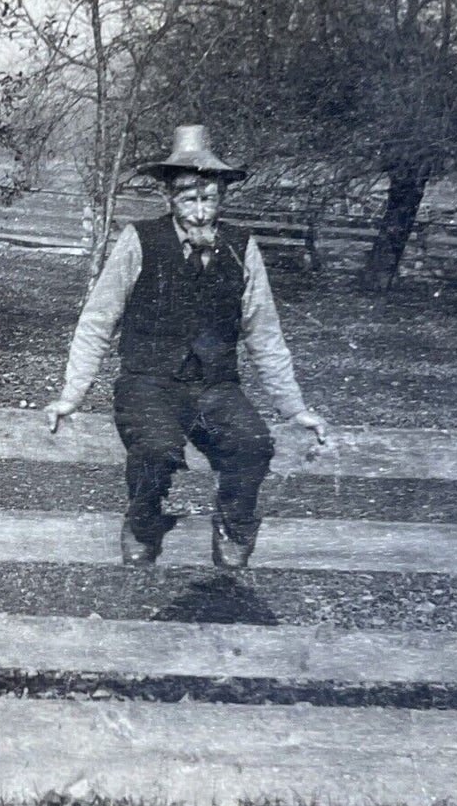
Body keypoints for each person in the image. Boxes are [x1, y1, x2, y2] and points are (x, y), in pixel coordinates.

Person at [44, 125, 328, 569]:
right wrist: (71, 394)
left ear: (221, 200)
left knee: (253, 443)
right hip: (147, 383)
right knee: (156, 449)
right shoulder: (139, 241)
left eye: (209, 199)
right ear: (170, 200)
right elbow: (98, 320)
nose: (199, 212)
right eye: (188, 199)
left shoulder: (242, 248)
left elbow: (264, 334)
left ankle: (233, 526)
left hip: (215, 386)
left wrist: (295, 409)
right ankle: (142, 522)